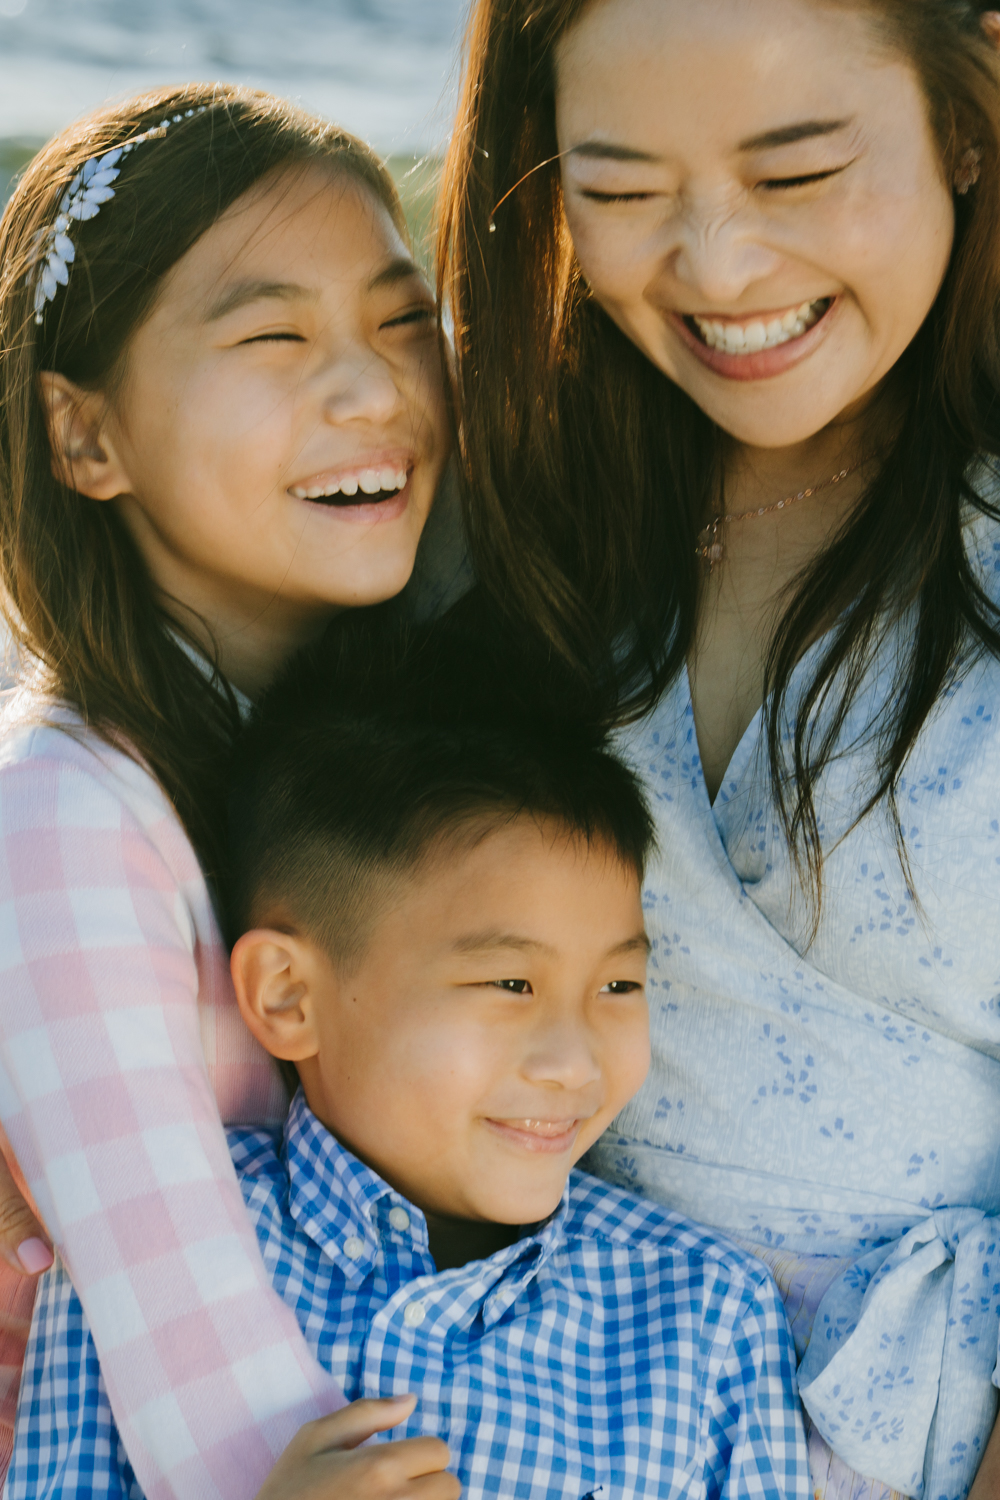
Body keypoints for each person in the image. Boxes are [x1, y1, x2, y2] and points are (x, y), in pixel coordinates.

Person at [438, 1, 1000, 1497]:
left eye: (799, 173)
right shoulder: (516, 506)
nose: (719, 269)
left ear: (967, 120)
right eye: (617, 191)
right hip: (540, 1418)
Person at [7, 609, 811, 1500]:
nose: (576, 1063)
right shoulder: (153, 1253)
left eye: (619, 987)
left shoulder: (704, 1318)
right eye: (511, 986)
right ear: (287, 996)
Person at [0, 82, 451, 1497]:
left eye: (402, 321)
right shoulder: (67, 817)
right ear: (87, 439)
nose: (376, 389)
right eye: (273, 338)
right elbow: (218, 1405)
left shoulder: (393, 720)